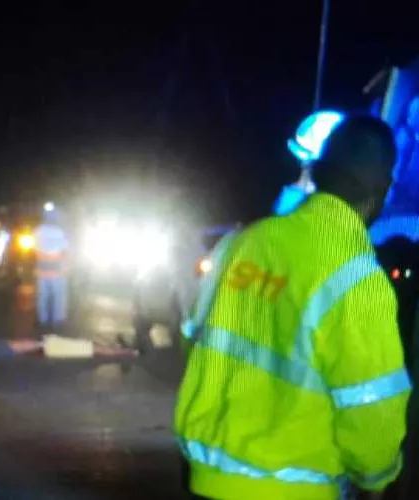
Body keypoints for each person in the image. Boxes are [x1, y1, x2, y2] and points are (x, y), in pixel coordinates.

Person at [176, 115, 410, 500]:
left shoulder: (241, 244)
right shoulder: (358, 278)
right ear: (382, 188)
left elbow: (192, 341)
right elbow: (372, 408)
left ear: (319, 172)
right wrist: (379, 478)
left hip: (206, 482)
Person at [34, 203, 69, 334]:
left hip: (42, 270)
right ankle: (57, 322)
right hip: (57, 271)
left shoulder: (38, 231)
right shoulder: (60, 232)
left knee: (42, 297)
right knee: (58, 298)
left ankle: (42, 321)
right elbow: (65, 250)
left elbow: (35, 249)